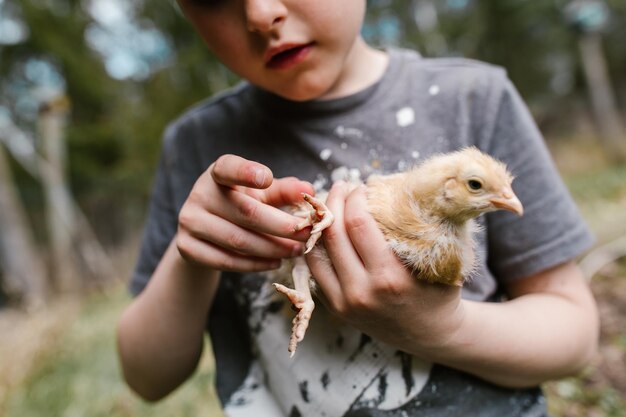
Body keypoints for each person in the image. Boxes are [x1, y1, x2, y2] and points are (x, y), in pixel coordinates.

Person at [116, 1, 599, 416]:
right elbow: (147, 378)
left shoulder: (476, 98)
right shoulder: (196, 146)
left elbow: (575, 337)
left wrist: (442, 328)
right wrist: (193, 258)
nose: (262, 14)